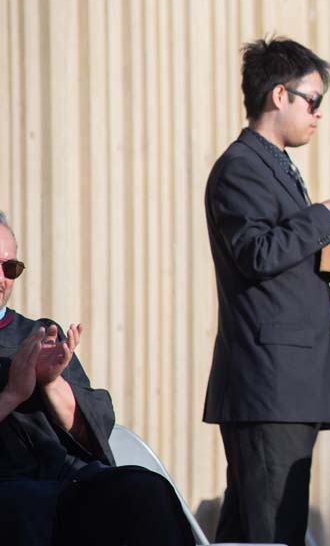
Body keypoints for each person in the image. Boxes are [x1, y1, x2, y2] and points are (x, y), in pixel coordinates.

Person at [203, 37, 330, 546]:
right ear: (280, 95)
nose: (318, 115)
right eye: (313, 101)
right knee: (273, 531)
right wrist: (325, 213)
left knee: (248, 530)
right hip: (266, 386)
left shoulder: (274, 165)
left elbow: (283, 259)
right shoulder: (240, 166)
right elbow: (256, 253)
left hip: (287, 386)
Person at [0, 212, 193, 546]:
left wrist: (51, 383)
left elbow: (94, 433)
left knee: (144, 490)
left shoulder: (39, 334)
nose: (2, 278)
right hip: (11, 491)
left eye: (10, 267)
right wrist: (13, 394)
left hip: (67, 484)